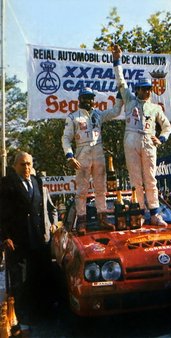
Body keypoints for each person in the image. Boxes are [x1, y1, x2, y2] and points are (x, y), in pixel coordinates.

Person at [112, 44, 171, 226]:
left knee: (150, 177)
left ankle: (155, 212)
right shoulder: (129, 100)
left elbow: (167, 126)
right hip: (131, 138)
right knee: (136, 178)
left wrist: (160, 138)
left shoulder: (155, 107)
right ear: (136, 89)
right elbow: (121, 81)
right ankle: (140, 213)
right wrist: (117, 60)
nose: (146, 92)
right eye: (143, 89)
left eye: (148, 89)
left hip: (148, 140)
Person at [0, 152, 56, 324]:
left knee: (39, 276)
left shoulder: (37, 182)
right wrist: (5, 237)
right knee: (20, 281)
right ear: (15, 166)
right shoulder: (6, 184)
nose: (27, 168)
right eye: (23, 164)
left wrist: (52, 224)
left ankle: (42, 313)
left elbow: (47, 207)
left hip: (39, 239)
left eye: (29, 164)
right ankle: (21, 317)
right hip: (18, 241)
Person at [62, 87, 122, 234]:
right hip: (82, 153)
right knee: (82, 190)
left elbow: (115, 112)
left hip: (98, 151)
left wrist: (120, 94)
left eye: (91, 98)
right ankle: (82, 221)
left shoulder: (98, 114)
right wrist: (69, 155)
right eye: (85, 97)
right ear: (80, 99)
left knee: (101, 188)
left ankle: (103, 218)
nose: (88, 100)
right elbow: (65, 138)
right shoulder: (73, 117)